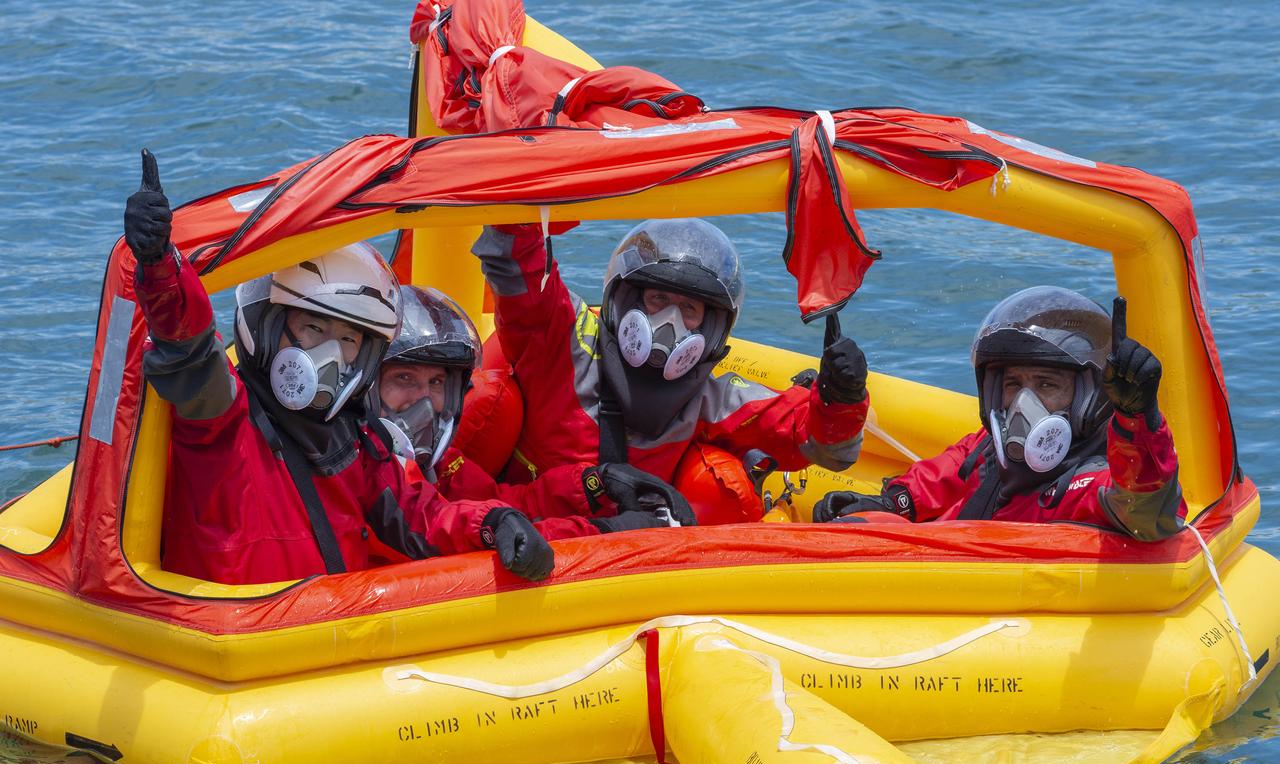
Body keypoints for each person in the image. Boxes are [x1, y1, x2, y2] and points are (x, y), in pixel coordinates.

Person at [123, 150, 557, 584]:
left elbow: (422, 517)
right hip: (244, 639)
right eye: (314, 327)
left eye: (348, 339)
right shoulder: (226, 421)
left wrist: (494, 522)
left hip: (329, 637)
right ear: (268, 325)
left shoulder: (357, 443)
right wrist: (162, 266)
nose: (331, 354)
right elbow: (188, 349)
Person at [471, 218, 870, 493]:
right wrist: (527, 211)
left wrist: (842, 399)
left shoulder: (710, 399)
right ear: (626, 298)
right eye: (657, 299)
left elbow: (815, 440)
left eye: (689, 311)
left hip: (618, 563)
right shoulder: (563, 343)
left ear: (711, 328)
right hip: (523, 533)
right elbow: (516, 267)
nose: (669, 324)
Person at [812, 286, 1184, 540]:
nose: (1024, 402)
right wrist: (892, 503)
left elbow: (1145, 512)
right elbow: (944, 474)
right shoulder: (990, 450)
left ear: (1089, 397)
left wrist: (1138, 418)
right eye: (1013, 385)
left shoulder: (1091, 481)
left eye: (1046, 385)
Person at [374, 285, 696, 535]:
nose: (425, 400)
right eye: (404, 378)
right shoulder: (361, 465)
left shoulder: (441, 465)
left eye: (437, 383)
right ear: (368, 385)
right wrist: (604, 532)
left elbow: (507, 503)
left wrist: (595, 483)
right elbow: (449, 536)